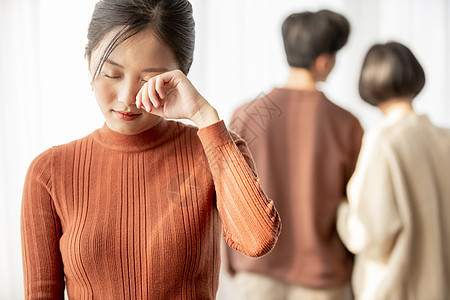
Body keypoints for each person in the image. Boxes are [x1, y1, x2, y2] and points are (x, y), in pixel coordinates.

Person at [20, 0, 281, 299]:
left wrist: (203, 115)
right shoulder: (49, 172)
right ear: (89, 60)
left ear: (179, 76)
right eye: (112, 74)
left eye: (148, 79)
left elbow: (257, 240)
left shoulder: (214, 148)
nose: (127, 97)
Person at [226, 9, 363, 300]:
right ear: (323, 61)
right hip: (323, 279)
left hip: (254, 273)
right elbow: (358, 203)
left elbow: (226, 195)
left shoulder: (248, 114)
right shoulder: (345, 122)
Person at [337, 42, 450, 300]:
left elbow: (370, 233)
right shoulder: (446, 139)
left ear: (369, 84)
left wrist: (341, 212)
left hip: (397, 288)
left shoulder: (383, 141)